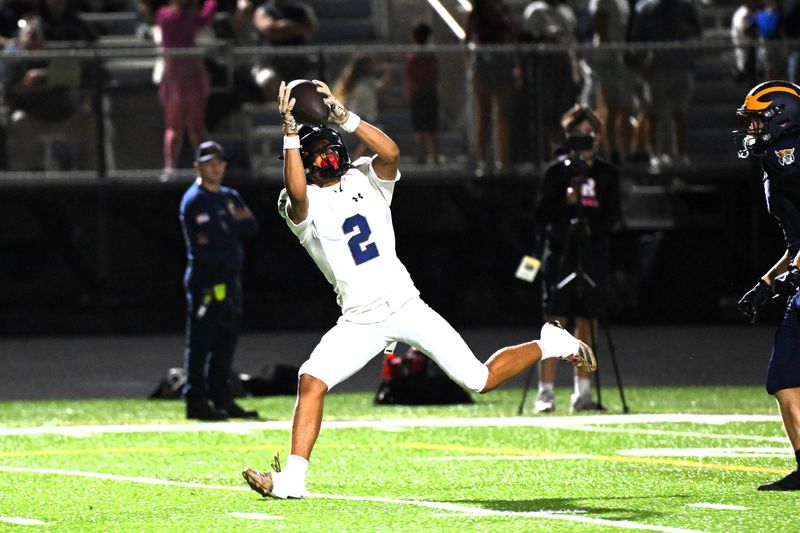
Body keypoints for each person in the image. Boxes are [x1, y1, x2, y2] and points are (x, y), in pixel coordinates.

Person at [240, 79, 597, 499]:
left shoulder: (366, 179)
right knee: (311, 380)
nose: (325, 156)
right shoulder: (301, 204)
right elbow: (297, 192)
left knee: (478, 379)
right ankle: (294, 480)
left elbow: (390, 153)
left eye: (327, 147)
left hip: (405, 304)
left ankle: (549, 343)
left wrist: (343, 115)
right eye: (314, 153)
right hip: (360, 319)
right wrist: (289, 133)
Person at [533, 104, 621, 413]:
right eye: (578, 134)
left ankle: (582, 392)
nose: (585, 140)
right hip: (561, 252)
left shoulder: (607, 173)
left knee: (587, 320)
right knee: (555, 320)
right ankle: (545, 392)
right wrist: (565, 201)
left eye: (589, 134)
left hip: (592, 250)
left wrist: (589, 224)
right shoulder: (557, 172)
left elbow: (613, 215)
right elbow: (541, 214)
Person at [734, 80, 800, 490]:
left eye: (758, 120)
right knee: (784, 379)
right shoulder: (777, 161)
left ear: (782, 117)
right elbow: (798, 241)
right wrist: (767, 282)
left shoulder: (790, 157)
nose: (752, 129)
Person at [179, 140, 259, 421]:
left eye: (219, 162)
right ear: (197, 166)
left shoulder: (229, 195)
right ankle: (196, 399)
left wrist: (226, 227)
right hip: (207, 280)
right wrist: (228, 227)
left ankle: (221, 396)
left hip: (231, 278)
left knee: (227, 339)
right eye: (208, 162)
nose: (215, 167)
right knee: (201, 341)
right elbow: (218, 235)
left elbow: (249, 227)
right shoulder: (195, 200)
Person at [156, 0, 216, 180]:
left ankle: (176, 167)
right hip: (181, 75)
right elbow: (206, 15)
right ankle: (174, 166)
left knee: (190, 126)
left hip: (182, 74)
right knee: (181, 126)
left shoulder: (166, 15)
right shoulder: (171, 16)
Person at [465, 0, 516, 176]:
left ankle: (502, 161)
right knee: (483, 115)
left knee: (503, 115)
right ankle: (482, 161)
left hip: (502, 62)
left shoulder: (503, 9)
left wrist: (515, 62)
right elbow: (467, 37)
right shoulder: (477, 11)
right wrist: (471, 66)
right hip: (483, 64)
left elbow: (512, 34)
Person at [404, 21, 442, 165]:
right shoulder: (431, 56)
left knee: (421, 127)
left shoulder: (414, 57)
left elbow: (410, 75)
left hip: (419, 94)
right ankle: (434, 155)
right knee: (430, 128)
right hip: (428, 93)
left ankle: (423, 155)